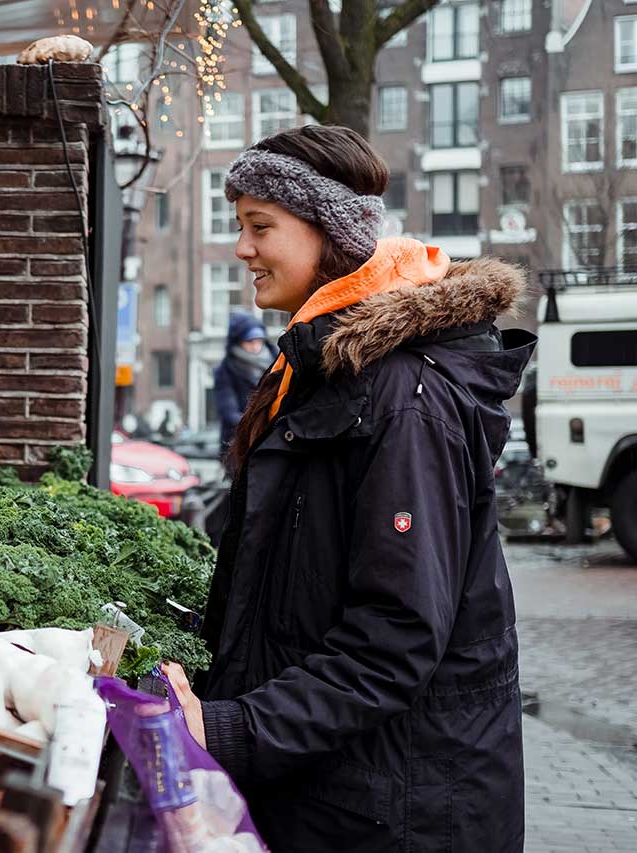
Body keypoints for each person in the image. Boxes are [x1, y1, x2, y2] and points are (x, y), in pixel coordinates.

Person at [160, 124, 534, 852]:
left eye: (259, 226)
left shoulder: (404, 397)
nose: (242, 250)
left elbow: (394, 635)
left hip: (396, 810)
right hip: (339, 790)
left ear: (328, 233)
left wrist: (231, 727)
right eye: (240, 226)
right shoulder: (319, 373)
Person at [214, 313, 277, 460]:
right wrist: (259, 428)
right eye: (249, 341)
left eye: (258, 340)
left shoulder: (277, 362)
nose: (256, 346)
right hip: (239, 444)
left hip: (272, 439)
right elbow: (229, 412)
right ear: (238, 342)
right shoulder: (225, 371)